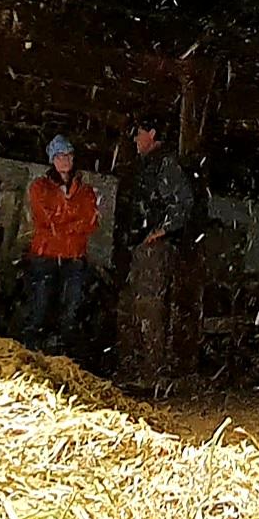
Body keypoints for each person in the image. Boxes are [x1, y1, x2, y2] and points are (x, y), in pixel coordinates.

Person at [115, 118, 200, 383]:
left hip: (154, 248)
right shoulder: (149, 165)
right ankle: (135, 369)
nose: (136, 140)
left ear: (152, 133)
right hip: (142, 245)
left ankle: (151, 374)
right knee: (131, 307)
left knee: (149, 308)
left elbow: (184, 202)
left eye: (139, 134)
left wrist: (160, 231)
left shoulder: (165, 164)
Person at [19, 136, 99, 355]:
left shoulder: (86, 191)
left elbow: (91, 221)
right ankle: (30, 354)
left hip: (73, 258)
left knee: (71, 310)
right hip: (45, 257)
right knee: (40, 308)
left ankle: (62, 358)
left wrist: (62, 221)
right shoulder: (40, 187)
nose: (65, 160)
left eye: (69, 155)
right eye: (60, 156)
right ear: (52, 160)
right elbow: (45, 218)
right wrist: (72, 221)